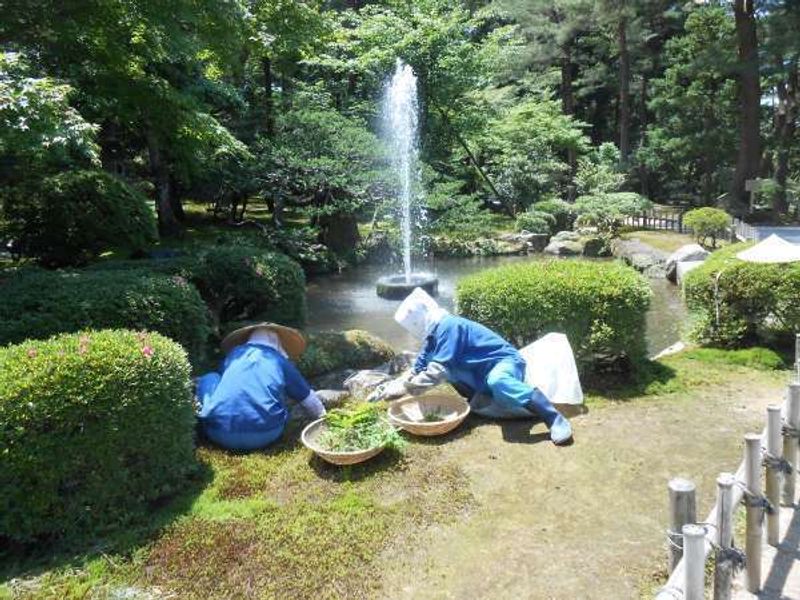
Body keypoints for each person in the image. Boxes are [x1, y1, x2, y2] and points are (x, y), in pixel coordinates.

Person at [369, 288, 573, 444]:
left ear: (420, 319)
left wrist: (405, 389)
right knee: (453, 373)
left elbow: (437, 371)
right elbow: (417, 370)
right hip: (480, 372)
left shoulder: (449, 326)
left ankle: (553, 417)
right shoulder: (432, 338)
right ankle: (480, 400)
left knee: (497, 380)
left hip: (504, 363)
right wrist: (391, 385)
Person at [196, 322, 326, 451]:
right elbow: (308, 399)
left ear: (249, 339)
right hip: (267, 433)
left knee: (211, 377)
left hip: (218, 432)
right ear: (277, 343)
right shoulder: (280, 361)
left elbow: (225, 383)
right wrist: (324, 417)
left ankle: (201, 411)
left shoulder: (234, 354)